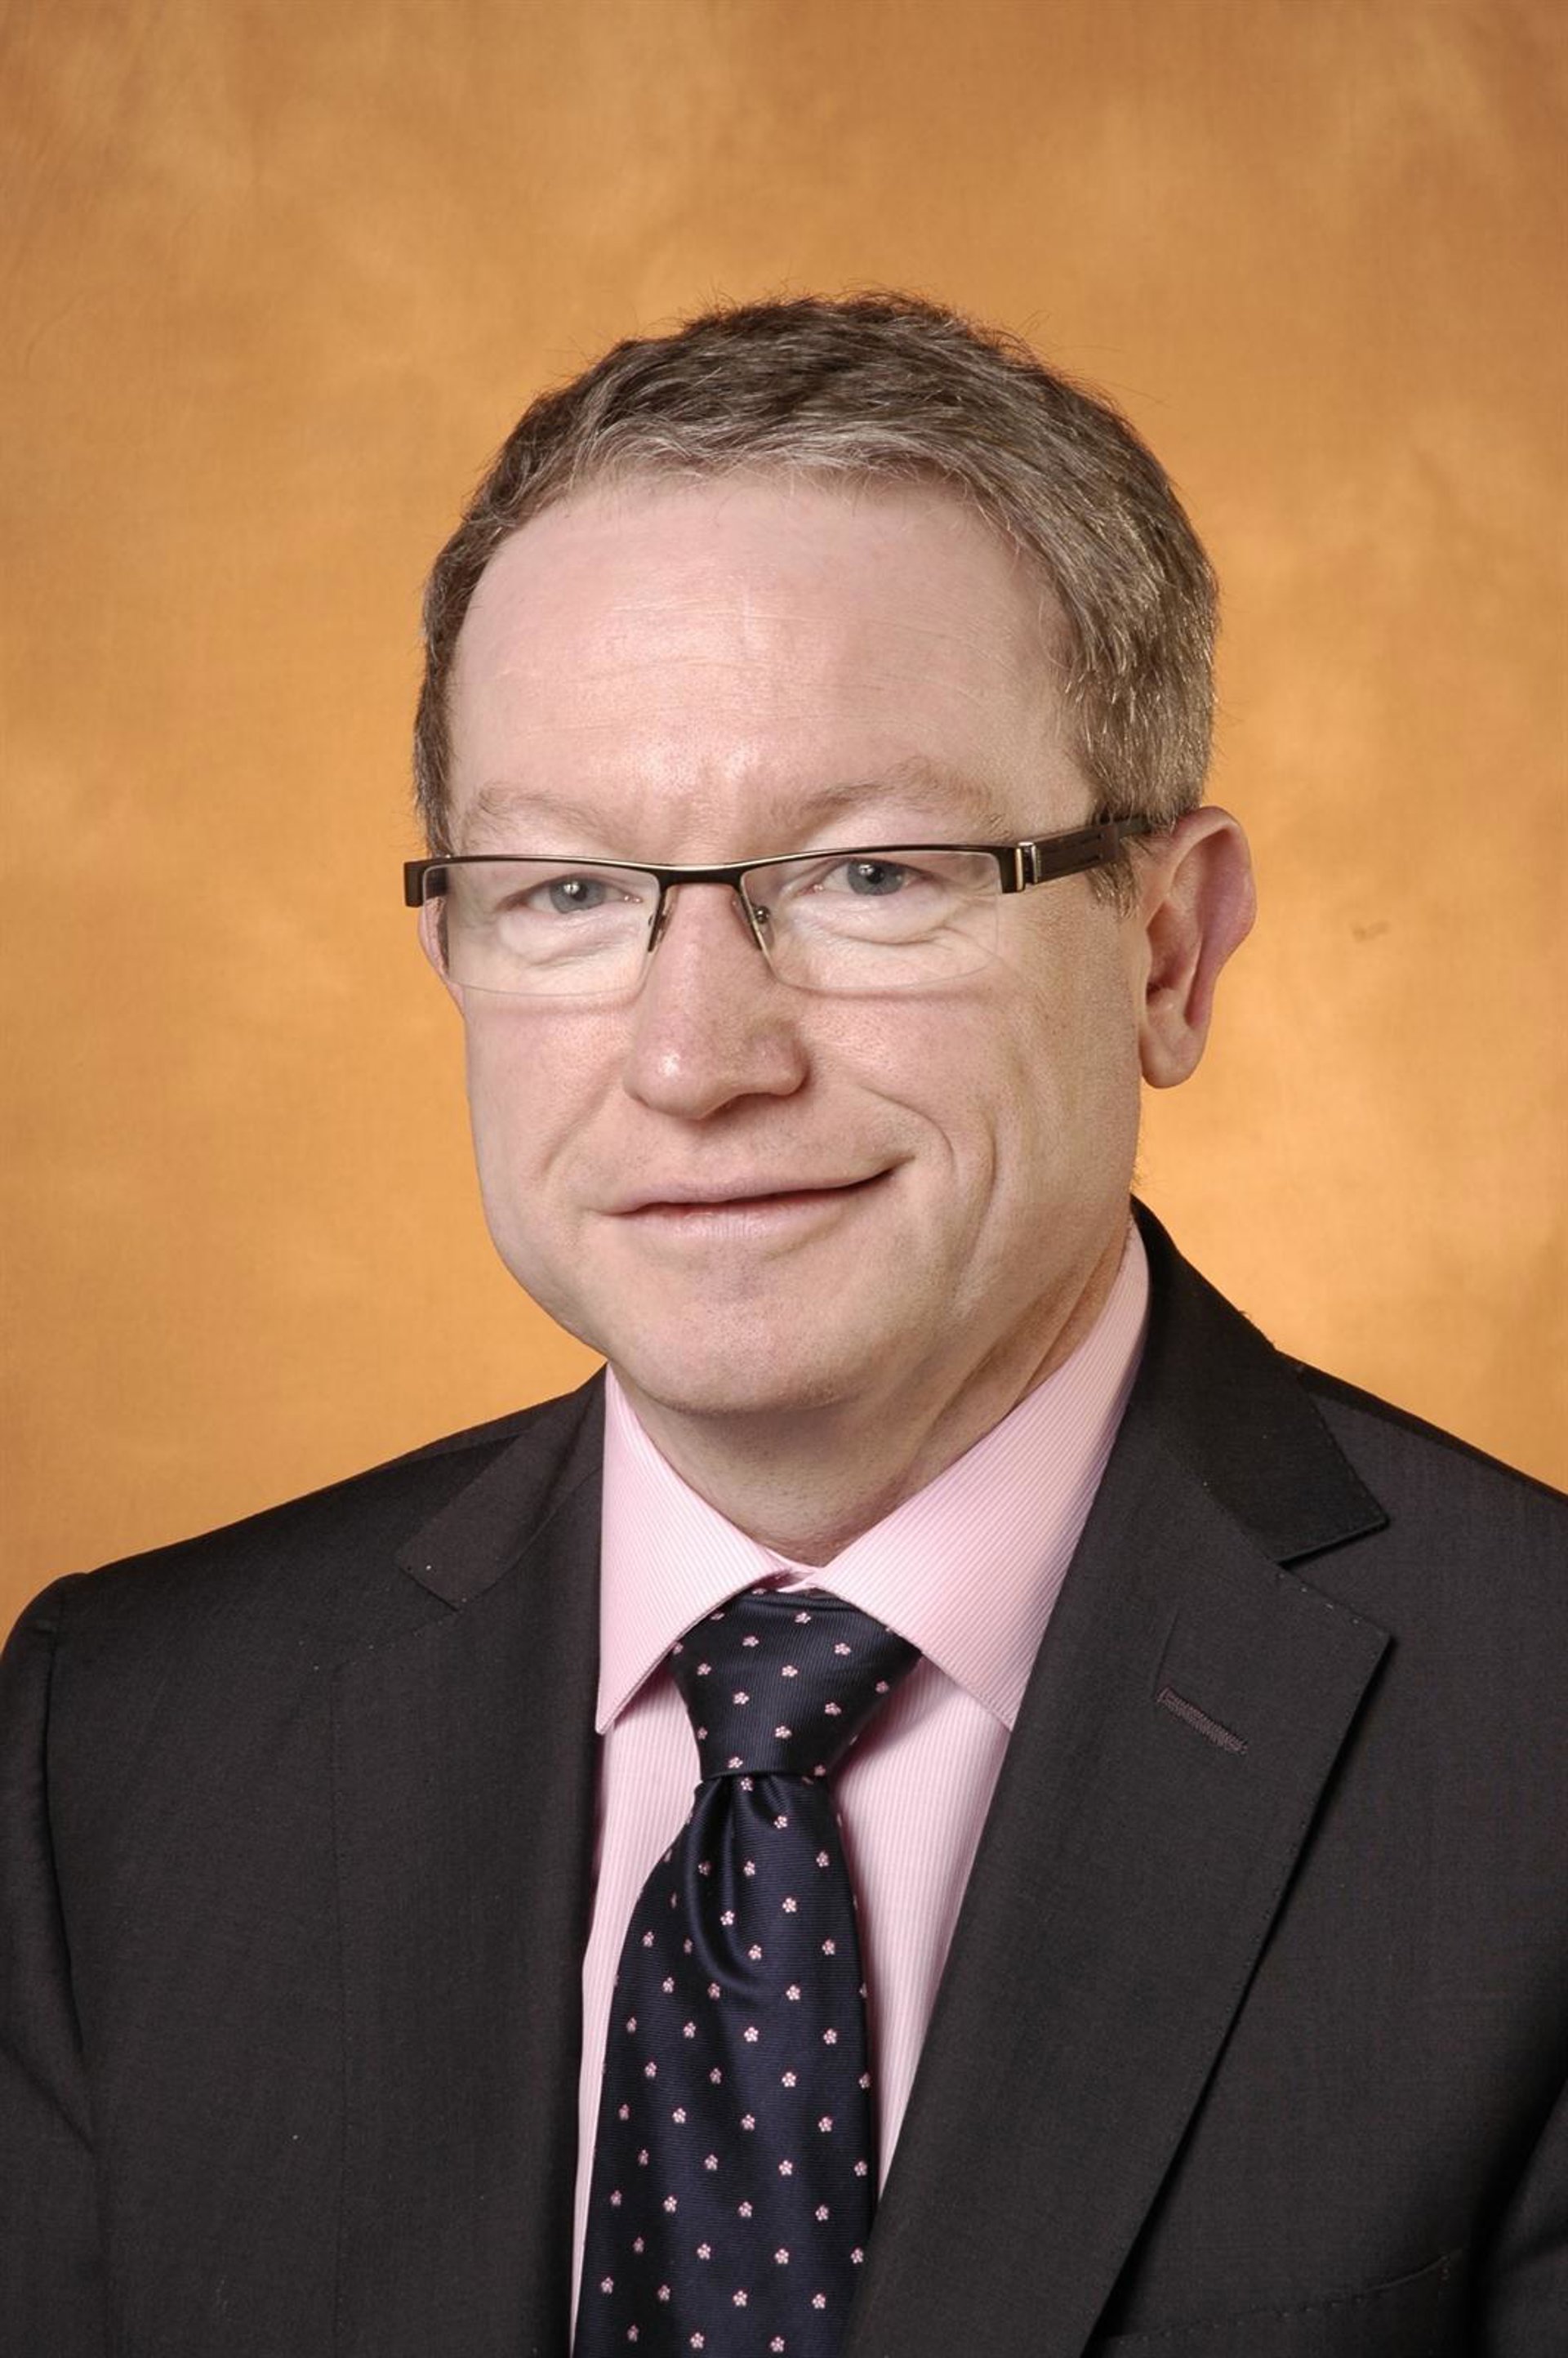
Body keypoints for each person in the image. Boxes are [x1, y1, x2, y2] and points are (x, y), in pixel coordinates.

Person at [2, 294, 1563, 2358]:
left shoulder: (1532, 1747)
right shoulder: (124, 1741)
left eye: (871, 875)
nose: (692, 1057)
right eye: (567, 892)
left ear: (1169, 951)